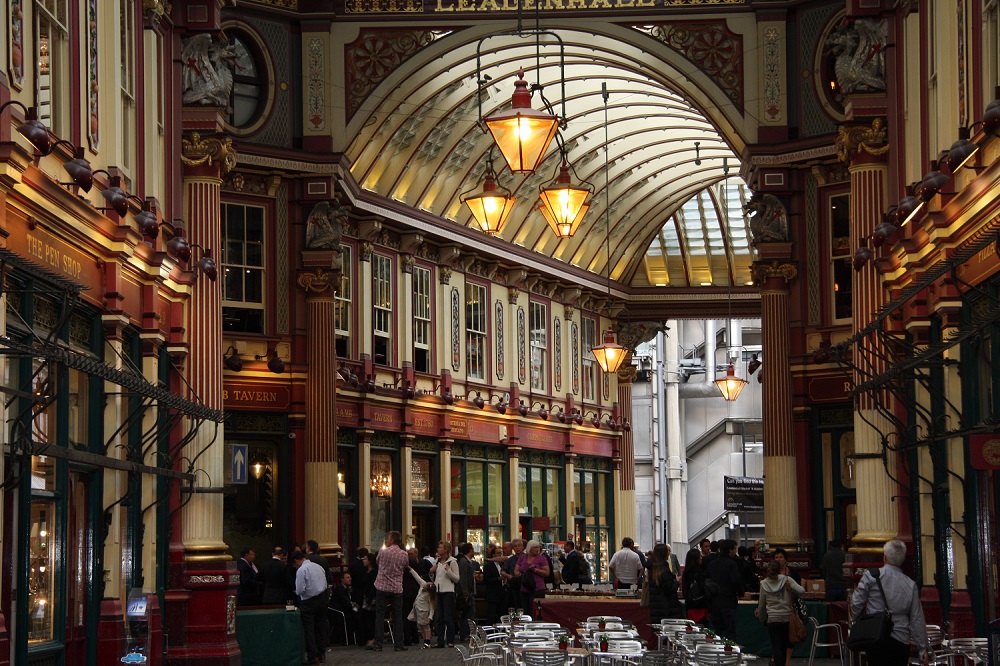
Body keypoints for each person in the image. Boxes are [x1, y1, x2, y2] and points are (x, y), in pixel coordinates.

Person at [851, 540, 930, 666]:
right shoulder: (910, 584)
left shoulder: (871, 576)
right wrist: (922, 648)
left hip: (875, 635)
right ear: (902, 560)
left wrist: (858, 620)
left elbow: (856, 602)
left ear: (885, 557)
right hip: (901, 638)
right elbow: (917, 618)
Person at [756, 560, 806, 666]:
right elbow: (801, 591)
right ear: (780, 569)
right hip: (786, 617)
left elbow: (761, 605)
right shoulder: (787, 580)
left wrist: (763, 618)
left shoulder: (764, 583)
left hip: (772, 619)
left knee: (776, 646)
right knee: (784, 646)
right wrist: (791, 591)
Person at [370, 530, 409, 652]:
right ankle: (398, 644)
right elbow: (405, 566)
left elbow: (377, 562)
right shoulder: (403, 554)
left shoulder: (383, 552)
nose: (386, 540)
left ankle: (378, 643)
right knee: (398, 617)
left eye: (388, 538)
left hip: (382, 587)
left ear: (391, 540)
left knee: (380, 616)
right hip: (396, 588)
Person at [293, 551, 330, 665]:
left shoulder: (301, 570)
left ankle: (312, 657)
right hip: (322, 599)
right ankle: (321, 653)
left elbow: (300, 590)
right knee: (320, 627)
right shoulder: (318, 566)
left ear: (296, 561)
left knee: (309, 630)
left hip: (309, 601)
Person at [704, 539, 744, 641]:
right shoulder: (732, 564)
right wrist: (741, 593)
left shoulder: (712, 563)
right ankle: (730, 654)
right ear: (730, 550)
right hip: (728, 601)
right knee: (730, 632)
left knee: (717, 631)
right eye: (735, 549)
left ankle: (717, 652)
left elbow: (707, 581)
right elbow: (736, 581)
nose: (735, 551)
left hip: (714, 602)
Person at [430, 540, 460, 648]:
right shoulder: (437, 561)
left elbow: (456, 579)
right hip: (438, 591)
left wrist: (448, 571)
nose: (438, 549)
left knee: (448, 617)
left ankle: (450, 640)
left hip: (448, 591)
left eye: (440, 547)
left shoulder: (452, 562)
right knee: (439, 617)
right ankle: (440, 640)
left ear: (446, 550)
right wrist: (432, 572)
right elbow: (435, 578)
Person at [647, 544, 683, 623]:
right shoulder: (664, 569)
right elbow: (670, 589)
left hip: (656, 606)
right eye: (667, 552)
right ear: (664, 553)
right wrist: (677, 582)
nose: (669, 553)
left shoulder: (652, 568)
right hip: (667, 607)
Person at [515, 540, 550, 614]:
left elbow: (547, 573)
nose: (538, 549)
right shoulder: (522, 557)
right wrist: (520, 575)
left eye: (539, 547)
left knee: (535, 610)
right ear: (529, 548)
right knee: (525, 610)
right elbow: (516, 570)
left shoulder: (542, 558)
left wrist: (535, 570)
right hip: (525, 588)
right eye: (535, 547)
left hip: (538, 589)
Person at [403, 547, 429, 645]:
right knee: (414, 615)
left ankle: (408, 639)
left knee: (406, 615)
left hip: (406, 591)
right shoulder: (416, 562)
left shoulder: (406, 562)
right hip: (414, 590)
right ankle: (415, 637)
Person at [406, 563, 435, 648]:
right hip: (417, 609)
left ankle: (427, 642)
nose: (425, 584)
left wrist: (430, 617)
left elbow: (432, 607)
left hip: (424, 611)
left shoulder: (429, 595)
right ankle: (425, 641)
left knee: (425, 626)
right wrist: (410, 569)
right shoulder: (423, 585)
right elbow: (417, 577)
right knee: (420, 626)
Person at [456, 543, 478, 641]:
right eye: (472, 548)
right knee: (468, 614)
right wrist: (465, 593)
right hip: (467, 593)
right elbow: (463, 578)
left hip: (469, 592)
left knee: (469, 614)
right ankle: (465, 634)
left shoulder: (468, 562)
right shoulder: (464, 562)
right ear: (470, 550)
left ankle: (466, 633)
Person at [330, 572, 359, 645]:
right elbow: (345, 603)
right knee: (356, 616)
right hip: (339, 613)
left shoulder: (347, 589)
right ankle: (351, 639)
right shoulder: (340, 589)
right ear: (342, 579)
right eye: (347, 577)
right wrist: (354, 608)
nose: (350, 579)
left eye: (350, 577)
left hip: (345, 610)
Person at [681, 548, 709, 624]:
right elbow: (702, 589)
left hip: (690, 606)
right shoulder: (698, 573)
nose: (701, 557)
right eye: (700, 556)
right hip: (700, 607)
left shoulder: (686, 573)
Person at [358, 552, 378, 647]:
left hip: (371, 598)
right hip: (367, 597)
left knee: (368, 617)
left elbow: (373, 587)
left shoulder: (373, 572)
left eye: (365, 559)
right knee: (366, 617)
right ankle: (368, 638)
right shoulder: (366, 572)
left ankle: (372, 638)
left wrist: (369, 599)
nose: (363, 561)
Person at [482, 543, 505, 625]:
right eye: (498, 553)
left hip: (501, 594)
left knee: (500, 615)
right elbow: (486, 580)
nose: (500, 555)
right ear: (493, 555)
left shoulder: (503, 565)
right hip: (492, 594)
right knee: (491, 615)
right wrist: (498, 579)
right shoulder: (489, 565)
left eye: (501, 553)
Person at [500, 539, 524, 611]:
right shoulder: (511, 559)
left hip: (525, 584)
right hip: (513, 585)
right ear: (513, 548)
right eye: (515, 546)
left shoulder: (527, 557)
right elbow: (502, 571)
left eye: (519, 546)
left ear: (523, 547)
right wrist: (508, 576)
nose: (517, 548)